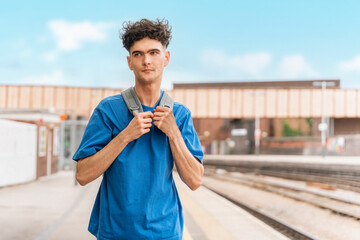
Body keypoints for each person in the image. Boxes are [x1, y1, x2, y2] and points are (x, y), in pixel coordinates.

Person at [73, 18, 204, 240]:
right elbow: (83, 175)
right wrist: (125, 136)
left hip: (165, 233)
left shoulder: (179, 115)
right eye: (138, 54)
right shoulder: (108, 110)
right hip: (115, 233)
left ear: (166, 58)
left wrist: (173, 133)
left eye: (154, 52)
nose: (146, 61)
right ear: (129, 62)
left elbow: (195, 181)